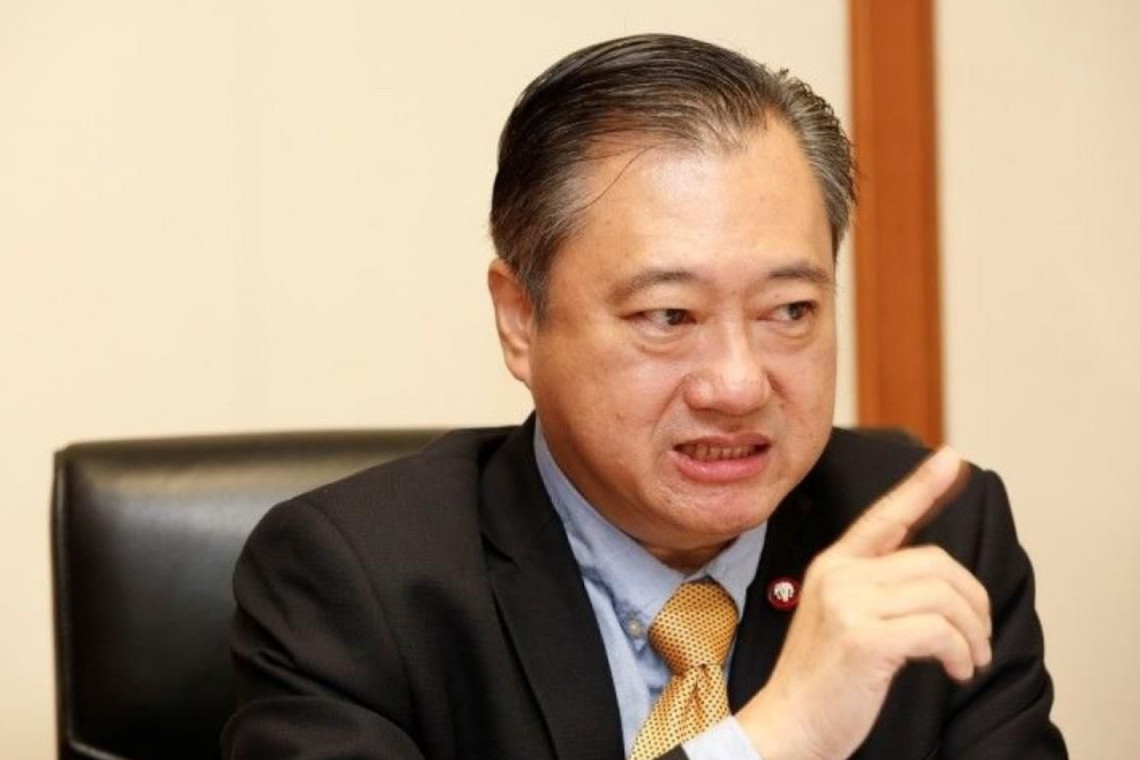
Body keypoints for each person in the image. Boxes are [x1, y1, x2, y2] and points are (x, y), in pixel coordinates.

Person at [223, 34, 1067, 760]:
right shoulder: (359, 583)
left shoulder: (934, 544)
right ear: (520, 321)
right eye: (669, 316)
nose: (738, 385)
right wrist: (774, 738)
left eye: (789, 311)